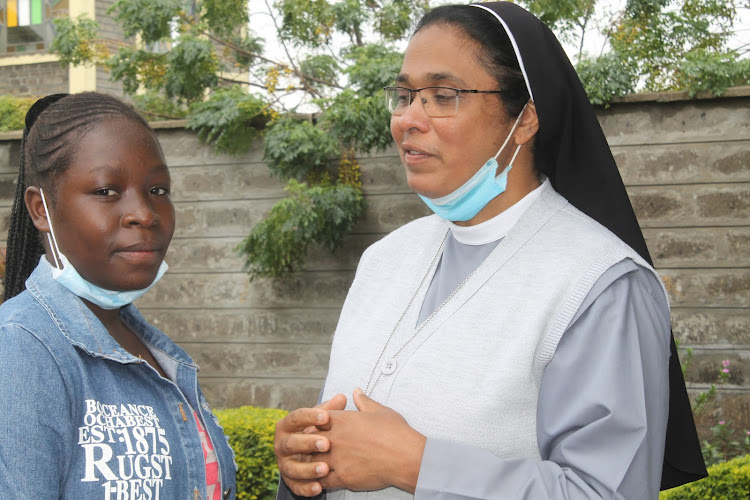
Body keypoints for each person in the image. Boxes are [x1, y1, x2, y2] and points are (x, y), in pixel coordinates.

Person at [273, 2, 708, 499]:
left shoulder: (599, 286)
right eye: (404, 94)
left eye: (443, 95)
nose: (408, 119)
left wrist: (416, 464)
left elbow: (606, 492)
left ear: (524, 119)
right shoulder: (383, 260)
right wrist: (306, 465)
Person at [0, 92, 237, 499]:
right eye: (107, 191)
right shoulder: (21, 348)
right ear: (41, 209)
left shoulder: (157, 353)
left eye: (158, 190)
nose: (144, 213)